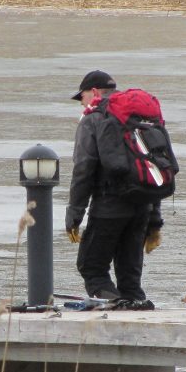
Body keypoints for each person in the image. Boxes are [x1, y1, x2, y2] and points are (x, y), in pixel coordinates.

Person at [65, 70, 162, 308]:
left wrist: (74, 215)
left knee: (91, 267)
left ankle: (115, 308)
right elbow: (156, 166)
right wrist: (154, 220)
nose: (82, 103)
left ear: (95, 92)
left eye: (83, 97)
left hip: (109, 206)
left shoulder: (93, 118)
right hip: (143, 205)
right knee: (130, 276)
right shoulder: (140, 116)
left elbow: (83, 169)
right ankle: (138, 312)